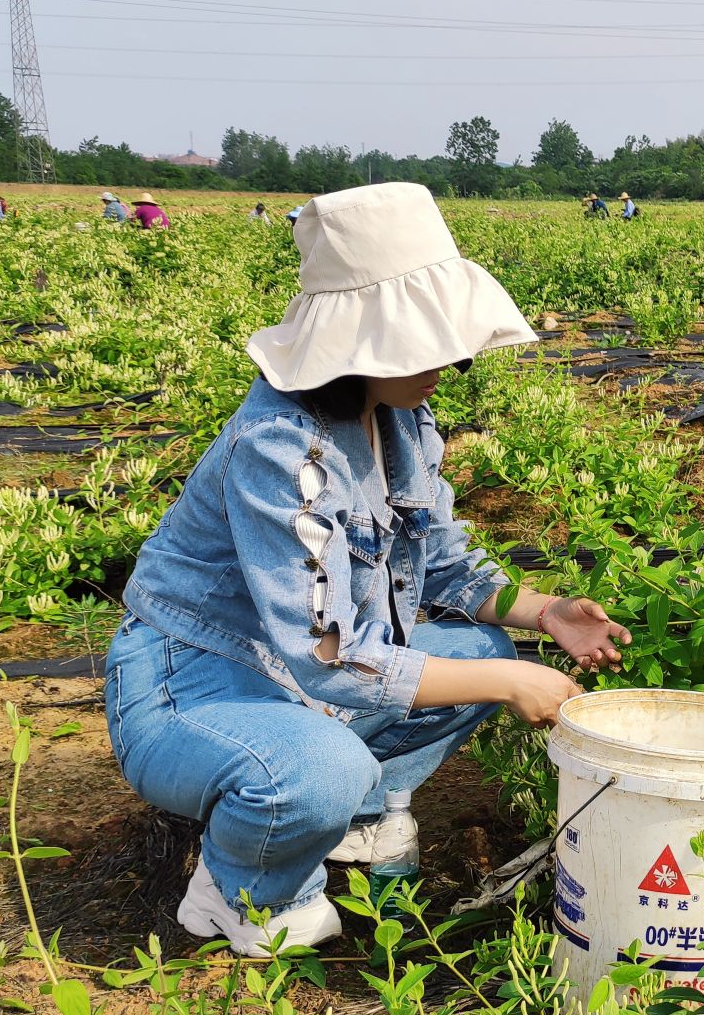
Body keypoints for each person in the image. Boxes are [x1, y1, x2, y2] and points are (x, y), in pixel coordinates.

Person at [108, 182, 632, 956]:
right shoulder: (283, 448)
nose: (453, 362)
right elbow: (332, 656)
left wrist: (545, 611)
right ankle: (235, 886)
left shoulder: (400, 418)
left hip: (294, 678)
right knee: (322, 767)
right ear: (362, 345)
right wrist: (513, 685)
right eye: (430, 342)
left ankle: (358, 814)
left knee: (486, 653)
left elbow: (445, 563)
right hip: (192, 680)